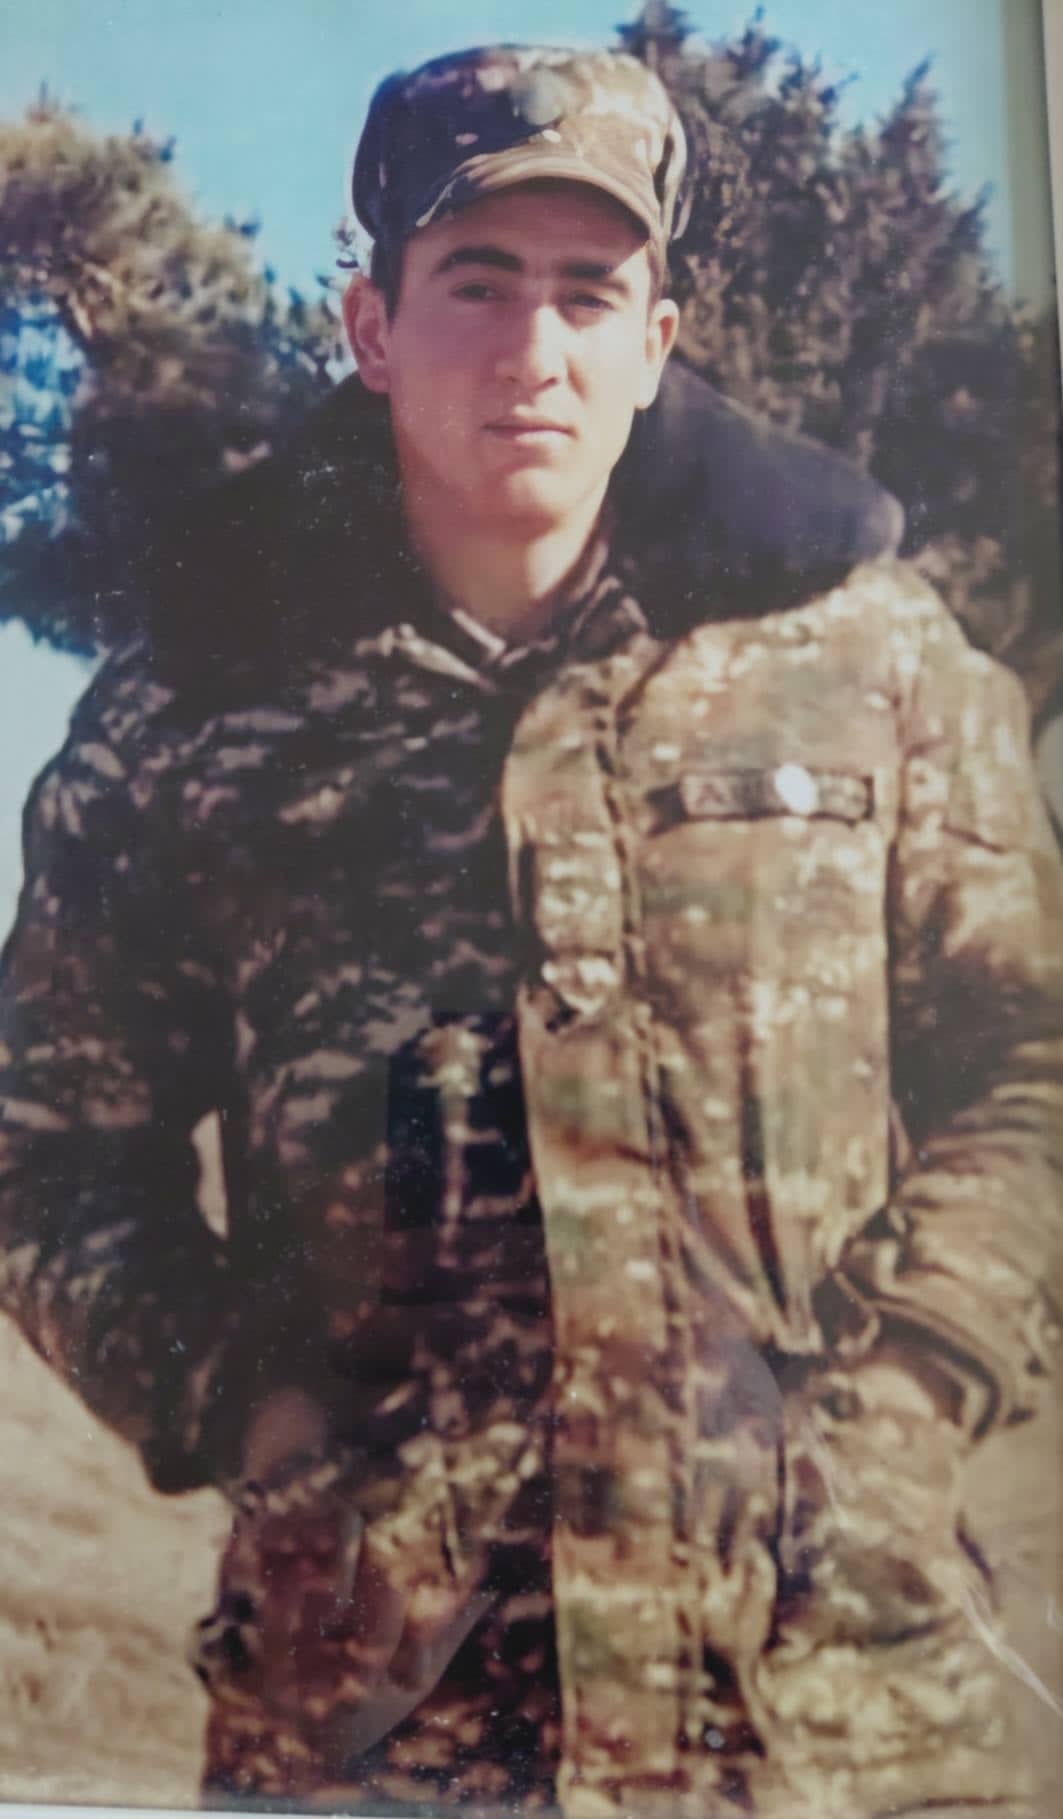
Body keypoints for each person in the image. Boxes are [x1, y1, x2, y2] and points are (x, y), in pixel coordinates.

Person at [0, 41, 1061, 1819]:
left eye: (589, 293)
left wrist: (907, 1403)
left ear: (659, 341)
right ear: (371, 328)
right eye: (476, 285)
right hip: (377, 1729)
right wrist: (258, 1420)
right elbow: (44, 1148)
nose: (534, 349)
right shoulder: (198, 712)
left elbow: (1030, 1058)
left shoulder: (867, 662)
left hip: (836, 1718)